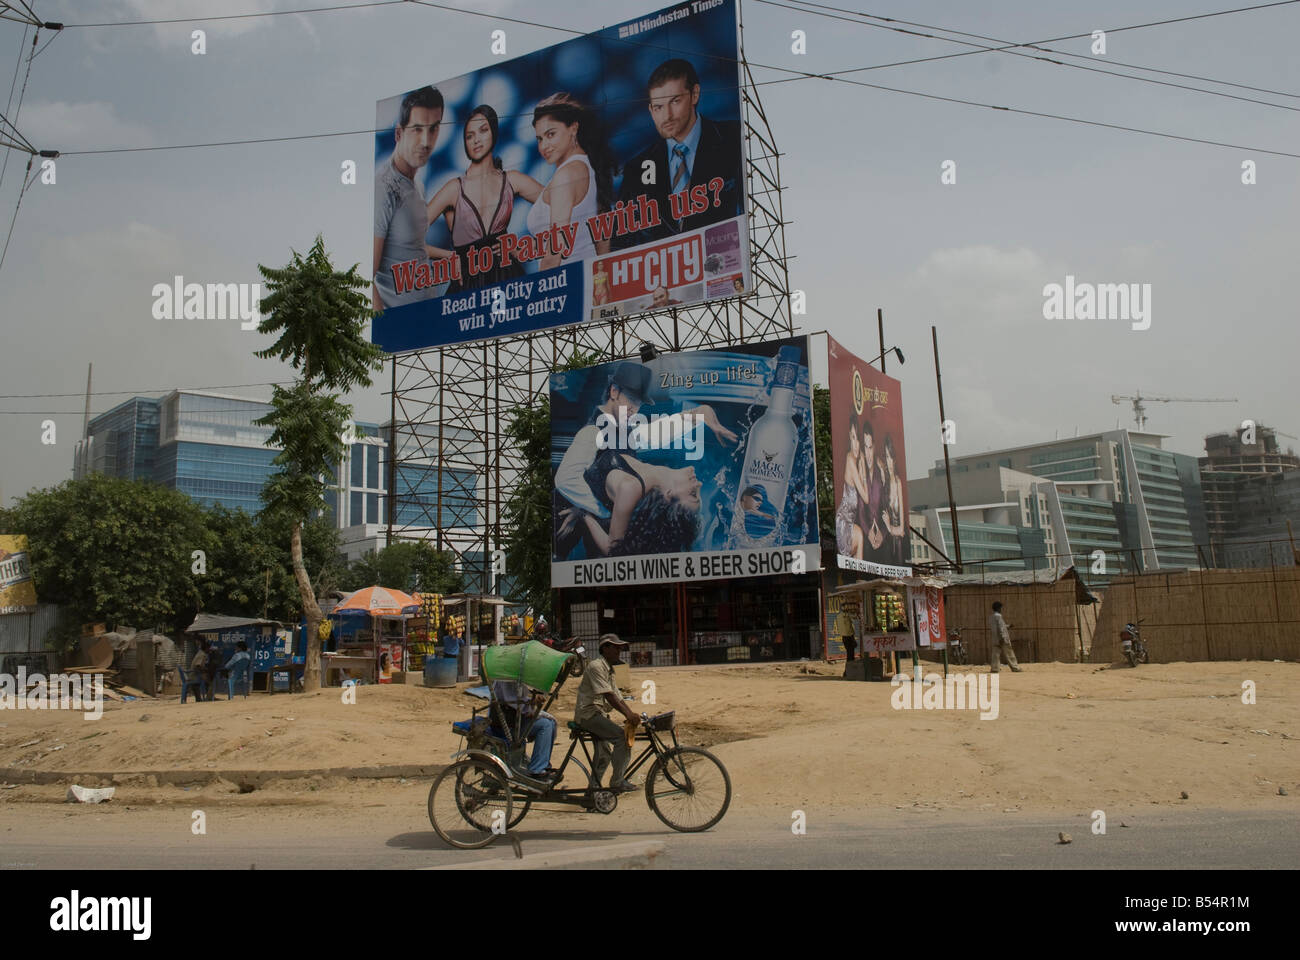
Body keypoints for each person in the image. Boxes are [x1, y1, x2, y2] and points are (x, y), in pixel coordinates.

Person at [614, 58, 743, 250]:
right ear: (650, 110)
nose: (667, 116)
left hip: (725, 260)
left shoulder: (733, 138)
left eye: (675, 101)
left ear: (694, 95)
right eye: (658, 107)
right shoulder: (637, 168)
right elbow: (624, 239)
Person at [425, 104, 543, 294]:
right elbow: (408, 241)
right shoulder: (454, 188)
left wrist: (524, 247)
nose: (476, 140)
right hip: (467, 284)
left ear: (494, 133)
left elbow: (566, 204)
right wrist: (448, 257)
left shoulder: (511, 179)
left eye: (483, 131)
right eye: (469, 136)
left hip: (508, 277)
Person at [374, 86, 451, 311]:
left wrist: (454, 257)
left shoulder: (418, 184)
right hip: (399, 324)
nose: (426, 141)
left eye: (434, 129)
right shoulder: (384, 188)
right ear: (399, 133)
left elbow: (410, 247)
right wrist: (385, 332)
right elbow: (367, 277)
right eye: (417, 129)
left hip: (427, 313)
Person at [526, 93, 613, 270]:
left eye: (551, 134)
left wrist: (541, 293)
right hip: (585, 278)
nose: (544, 146)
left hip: (564, 282)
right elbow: (600, 241)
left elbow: (554, 252)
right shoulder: (586, 167)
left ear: (573, 128)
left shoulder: (566, 176)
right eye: (540, 139)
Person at [574, 635, 640, 792]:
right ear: (605, 648)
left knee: (604, 754)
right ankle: (617, 782)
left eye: (620, 648)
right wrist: (628, 715)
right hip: (588, 714)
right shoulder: (596, 666)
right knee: (621, 739)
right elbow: (609, 696)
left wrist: (631, 714)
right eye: (615, 647)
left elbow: (617, 695)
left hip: (598, 714)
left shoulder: (609, 670)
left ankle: (593, 792)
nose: (619, 651)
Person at [491, 678, 557, 781]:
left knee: (551, 722)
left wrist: (532, 702)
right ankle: (537, 769)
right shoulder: (505, 677)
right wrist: (531, 704)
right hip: (508, 722)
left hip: (516, 718)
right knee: (545, 725)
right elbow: (510, 699)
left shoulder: (514, 675)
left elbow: (519, 697)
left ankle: (543, 765)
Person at [835, 413, 870, 558]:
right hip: (842, 523)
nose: (856, 445)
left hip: (849, 523)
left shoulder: (857, 460)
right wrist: (862, 470)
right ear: (850, 437)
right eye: (853, 438)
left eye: (859, 440)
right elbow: (866, 498)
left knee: (860, 535)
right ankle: (859, 577)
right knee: (860, 534)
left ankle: (859, 578)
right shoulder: (850, 459)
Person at [881, 435, 908, 565]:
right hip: (887, 545)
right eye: (886, 456)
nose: (889, 461)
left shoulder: (898, 482)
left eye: (890, 456)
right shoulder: (884, 483)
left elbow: (901, 530)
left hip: (898, 545)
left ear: (895, 459)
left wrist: (889, 526)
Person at [989, 601, 1022, 673]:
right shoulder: (999, 616)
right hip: (1002, 638)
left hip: (995, 639)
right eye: (1000, 608)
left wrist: (1008, 626)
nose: (1001, 609)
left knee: (995, 655)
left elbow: (999, 627)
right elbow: (1001, 628)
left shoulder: (991, 617)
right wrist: (1002, 637)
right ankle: (1015, 668)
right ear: (998, 608)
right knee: (1009, 653)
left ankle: (995, 669)